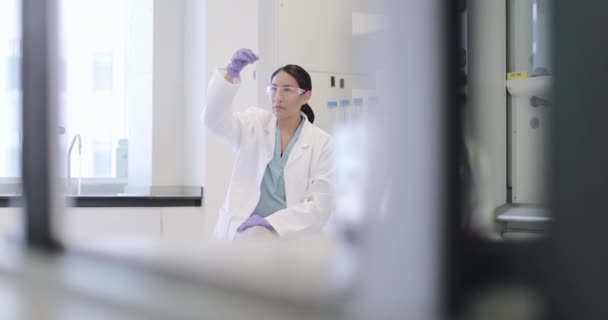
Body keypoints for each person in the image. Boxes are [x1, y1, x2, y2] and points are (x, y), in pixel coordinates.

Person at [202, 48, 335, 240]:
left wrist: (271, 224)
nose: (277, 97)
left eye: (287, 90)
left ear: (306, 96)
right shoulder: (254, 124)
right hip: (240, 232)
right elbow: (213, 118)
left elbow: (320, 205)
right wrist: (231, 73)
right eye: (273, 88)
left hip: (288, 239)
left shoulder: (323, 143)